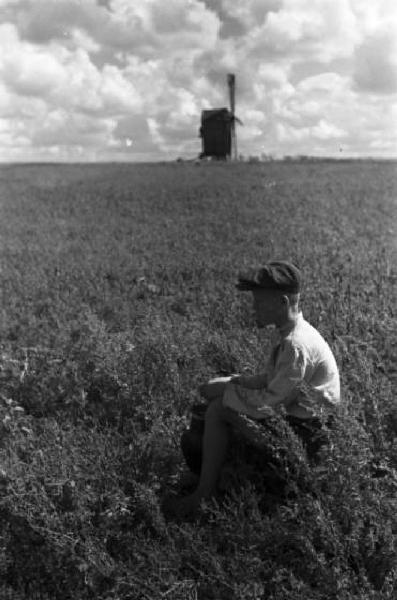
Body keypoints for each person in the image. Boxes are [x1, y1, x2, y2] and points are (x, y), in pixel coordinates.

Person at [165, 260, 341, 518]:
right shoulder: (294, 333)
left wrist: (227, 394)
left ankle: (203, 495)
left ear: (282, 302)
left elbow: (270, 403)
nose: (253, 308)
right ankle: (206, 477)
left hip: (306, 440)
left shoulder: (296, 345)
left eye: (259, 302)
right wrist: (234, 381)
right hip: (300, 427)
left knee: (218, 411)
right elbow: (270, 379)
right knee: (221, 404)